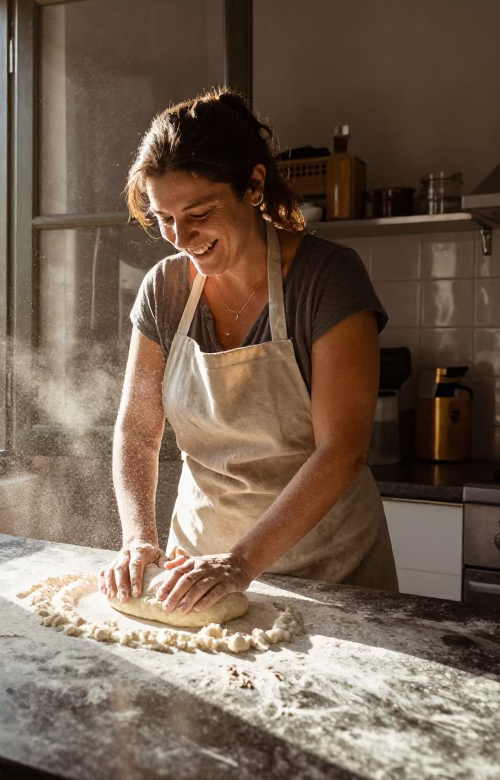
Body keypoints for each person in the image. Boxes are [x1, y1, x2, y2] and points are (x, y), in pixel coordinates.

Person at [99, 87, 398, 618]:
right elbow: (138, 429)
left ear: (254, 185)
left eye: (199, 212)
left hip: (328, 572)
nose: (182, 237)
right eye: (165, 218)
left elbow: (342, 451)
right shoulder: (164, 289)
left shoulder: (327, 278)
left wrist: (240, 564)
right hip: (193, 572)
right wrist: (138, 539)